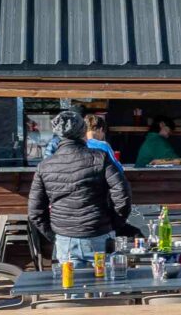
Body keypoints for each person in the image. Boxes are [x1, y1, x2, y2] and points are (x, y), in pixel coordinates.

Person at [27, 107, 133, 275]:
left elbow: (35, 212)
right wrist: (114, 223)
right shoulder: (100, 157)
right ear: (84, 133)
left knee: (73, 291)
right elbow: (123, 194)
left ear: (58, 135)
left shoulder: (45, 166)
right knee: (105, 288)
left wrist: (55, 234)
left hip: (65, 236)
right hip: (99, 232)